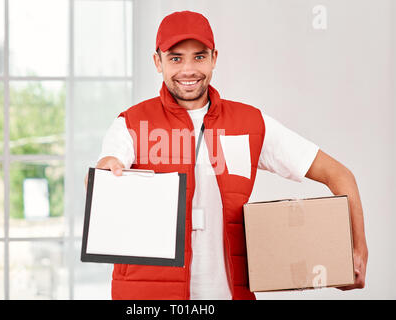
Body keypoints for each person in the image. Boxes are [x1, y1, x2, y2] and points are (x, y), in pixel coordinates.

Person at [87, 10, 368, 300]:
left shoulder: (250, 123)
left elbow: (339, 175)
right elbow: (108, 167)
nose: (188, 69)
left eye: (199, 56)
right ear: (157, 61)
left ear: (214, 59)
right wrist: (107, 174)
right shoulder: (132, 123)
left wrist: (358, 249)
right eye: (175, 58)